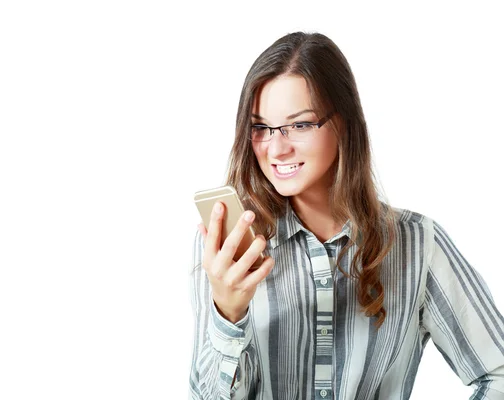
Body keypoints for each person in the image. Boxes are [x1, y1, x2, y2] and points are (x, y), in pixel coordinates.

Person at [187, 31, 504, 400]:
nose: (276, 147)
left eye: (301, 124)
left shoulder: (417, 244)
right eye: (261, 127)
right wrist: (227, 313)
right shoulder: (226, 248)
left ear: (345, 122)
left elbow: (496, 373)